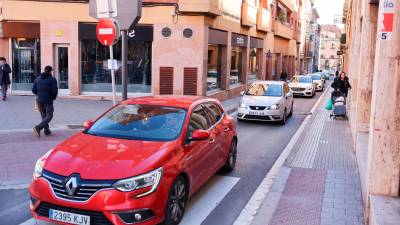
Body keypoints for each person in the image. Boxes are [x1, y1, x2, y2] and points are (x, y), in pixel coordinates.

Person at [32, 66, 58, 137]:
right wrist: (53, 98)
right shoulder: (52, 79)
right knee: (49, 115)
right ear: (50, 71)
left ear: (44, 70)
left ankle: (47, 131)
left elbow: (33, 90)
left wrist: (39, 94)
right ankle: (38, 127)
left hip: (39, 100)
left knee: (44, 116)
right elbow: (54, 91)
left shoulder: (37, 78)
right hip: (48, 100)